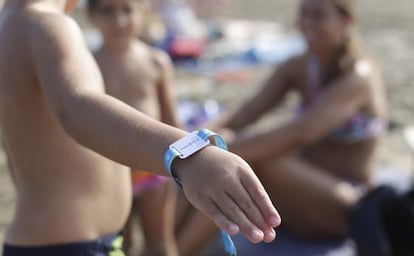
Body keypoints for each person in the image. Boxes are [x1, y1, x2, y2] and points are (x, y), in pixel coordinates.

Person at [0, 1, 281, 256]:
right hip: (72, 246)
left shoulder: (12, 24)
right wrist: (188, 153)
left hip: (59, 240)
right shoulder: (49, 25)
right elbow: (78, 108)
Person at [206, 0, 404, 254]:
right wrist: (200, 136)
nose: (308, 23)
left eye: (319, 16)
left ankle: (173, 248)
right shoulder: (300, 66)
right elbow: (247, 112)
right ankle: (169, 245)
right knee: (211, 161)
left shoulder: (359, 76)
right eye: (304, 14)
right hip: (300, 186)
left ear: (346, 21)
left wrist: (222, 150)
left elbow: (300, 134)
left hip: (346, 199)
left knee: (242, 161)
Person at [87, 0, 181, 255]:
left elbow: (171, 119)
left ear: (144, 11)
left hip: (154, 169)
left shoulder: (155, 61)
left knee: (161, 242)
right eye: (108, 11)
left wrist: (187, 160)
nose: (119, 21)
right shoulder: (87, 65)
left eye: (127, 10)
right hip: (109, 172)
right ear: (91, 15)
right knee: (120, 245)